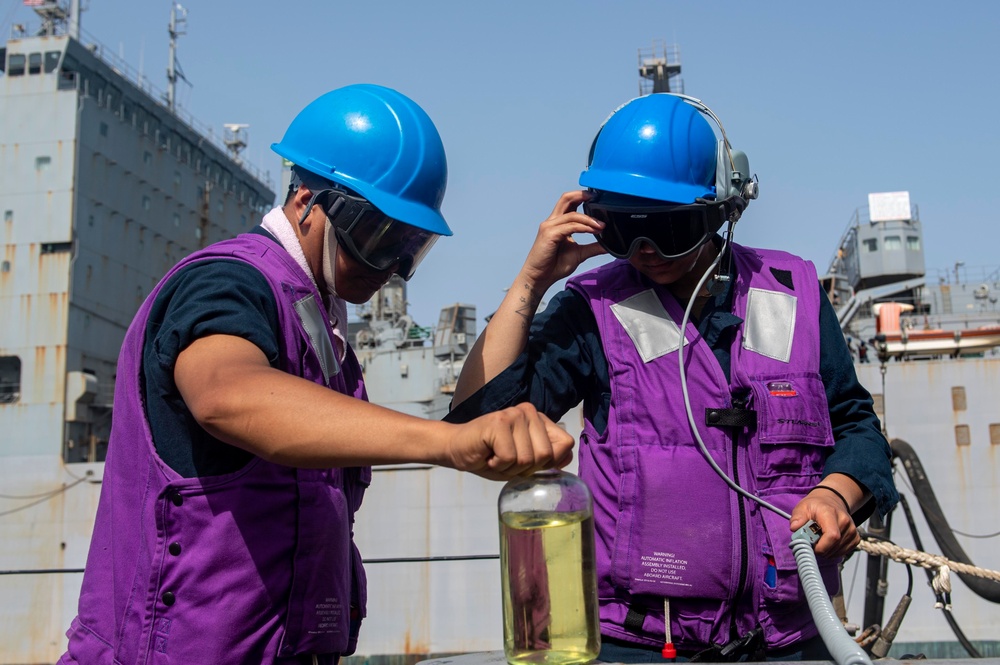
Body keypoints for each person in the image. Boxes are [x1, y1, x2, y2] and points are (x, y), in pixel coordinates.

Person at [58, 84, 573, 665]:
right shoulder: (227, 284)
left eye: (412, 247)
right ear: (306, 201)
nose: (395, 269)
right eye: (380, 239)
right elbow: (226, 395)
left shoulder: (317, 322)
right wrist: (445, 443)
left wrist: (530, 281)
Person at [447, 93, 898, 661]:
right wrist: (532, 280)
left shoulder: (795, 293)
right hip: (639, 643)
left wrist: (837, 493)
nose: (644, 252)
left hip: (788, 638)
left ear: (722, 210)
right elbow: (479, 425)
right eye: (623, 230)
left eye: (668, 228)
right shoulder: (592, 308)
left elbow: (857, 427)